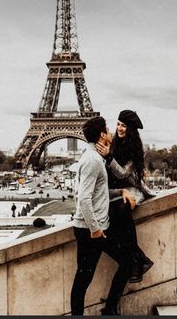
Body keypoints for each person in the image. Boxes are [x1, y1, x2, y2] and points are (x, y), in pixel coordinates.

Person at [70, 116, 137, 316]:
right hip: (92, 230)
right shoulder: (92, 160)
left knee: (84, 278)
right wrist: (96, 230)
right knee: (84, 278)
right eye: (108, 129)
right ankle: (106, 309)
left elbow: (98, 192)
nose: (111, 132)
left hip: (93, 227)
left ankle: (107, 309)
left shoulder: (92, 157)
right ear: (101, 135)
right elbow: (84, 199)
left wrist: (120, 192)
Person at [96, 110, 155, 283]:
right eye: (119, 124)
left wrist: (108, 156)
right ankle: (140, 259)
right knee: (115, 215)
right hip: (115, 190)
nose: (120, 128)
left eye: (124, 126)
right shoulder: (111, 141)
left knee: (122, 209)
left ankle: (136, 262)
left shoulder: (137, 147)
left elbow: (122, 174)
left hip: (131, 187)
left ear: (131, 129)